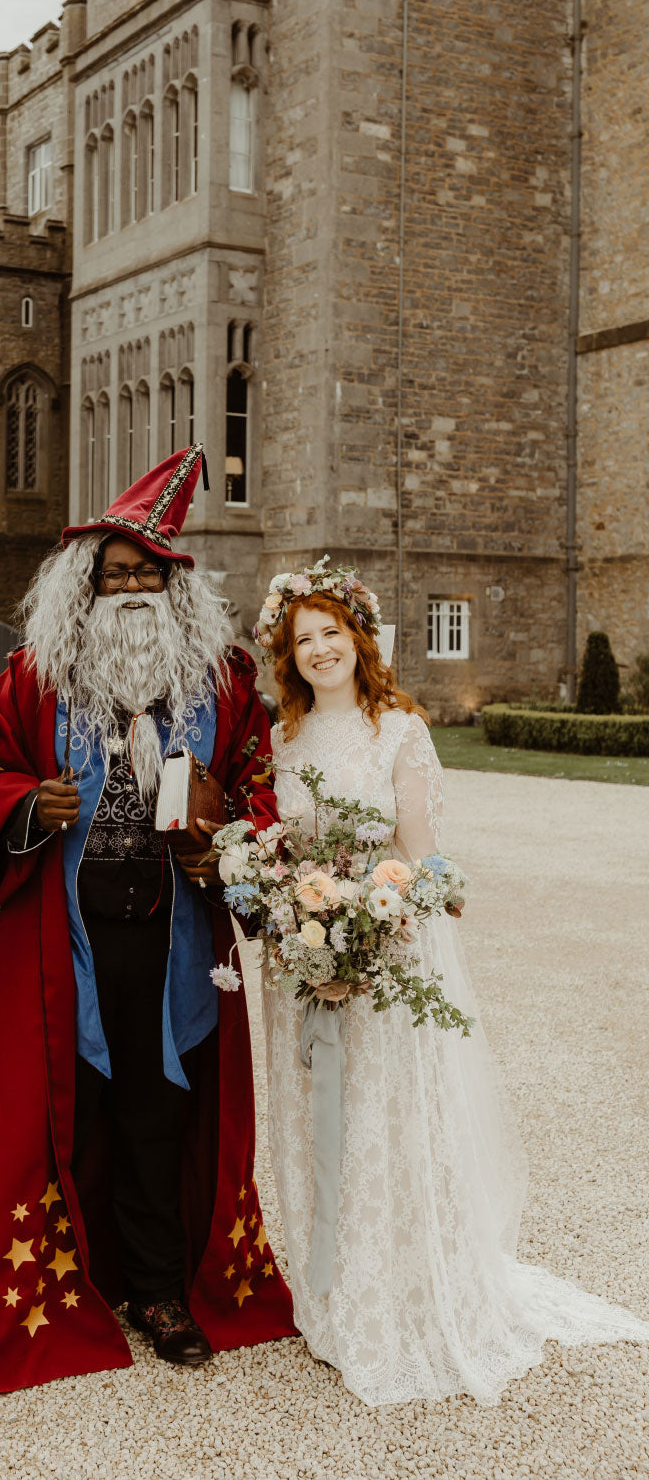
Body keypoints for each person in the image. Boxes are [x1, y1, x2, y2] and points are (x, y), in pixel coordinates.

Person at [0, 444, 297, 1394]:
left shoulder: (226, 681)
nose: (129, 587)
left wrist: (226, 840)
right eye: (114, 574)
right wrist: (23, 807)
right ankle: (72, 1280)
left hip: (175, 937)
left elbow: (260, 788)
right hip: (66, 932)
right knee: (67, 1107)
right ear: (87, 589)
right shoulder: (33, 677)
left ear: (174, 585)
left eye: (145, 574)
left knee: (160, 1107)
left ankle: (161, 1290)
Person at [257, 556, 649, 1405]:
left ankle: (394, 1296)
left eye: (332, 634)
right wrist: (293, 914)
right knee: (314, 1114)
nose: (321, 649)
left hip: (383, 956)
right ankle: (327, 1296)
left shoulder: (398, 728)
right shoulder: (282, 737)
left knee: (381, 1118)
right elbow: (280, 846)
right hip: (299, 960)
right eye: (304, 640)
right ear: (288, 656)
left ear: (359, 639)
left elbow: (424, 859)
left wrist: (369, 923)